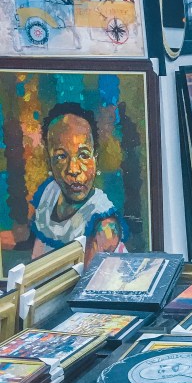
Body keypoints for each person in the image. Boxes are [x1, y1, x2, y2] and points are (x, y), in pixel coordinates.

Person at [31, 103, 125, 266]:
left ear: (95, 159)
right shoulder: (50, 193)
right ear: (49, 162)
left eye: (83, 155)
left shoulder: (103, 226)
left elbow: (85, 280)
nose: (73, 170)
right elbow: (36, 261)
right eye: (61, 156)